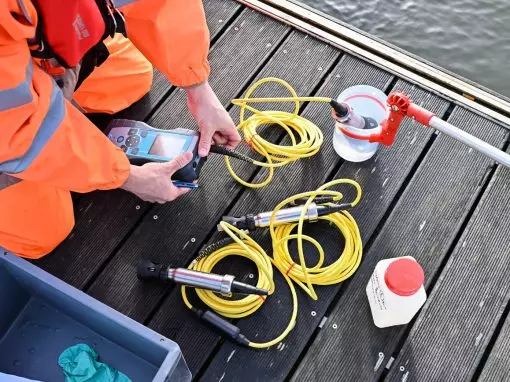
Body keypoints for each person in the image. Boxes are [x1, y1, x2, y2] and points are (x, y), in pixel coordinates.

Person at [0, 0, 241, 259]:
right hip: (8, 129)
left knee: (133, 76)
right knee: (42, 233)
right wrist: (128, 177)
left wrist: (197, 86)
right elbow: (18, 131)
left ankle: (58, 107)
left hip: (37, 62)